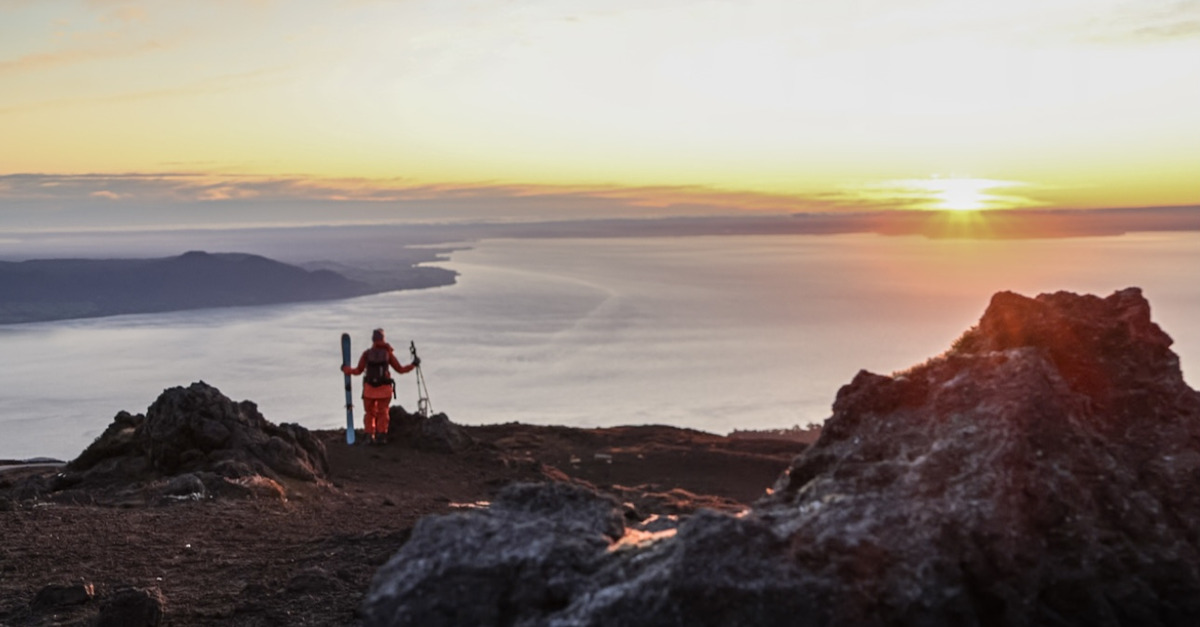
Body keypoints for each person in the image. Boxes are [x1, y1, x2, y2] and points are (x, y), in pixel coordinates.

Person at [341, 328, 419, 445]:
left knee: (369, 413)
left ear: (373, 339)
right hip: (385, 390)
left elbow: (358, 371)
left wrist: (346, 369)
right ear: (383, 339)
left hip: (369, 390)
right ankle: (381, 436)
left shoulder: (367, 354)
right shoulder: (388, 354)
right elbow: (400, 369)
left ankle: (369, 435)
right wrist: (413, 364)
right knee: (383, 412)